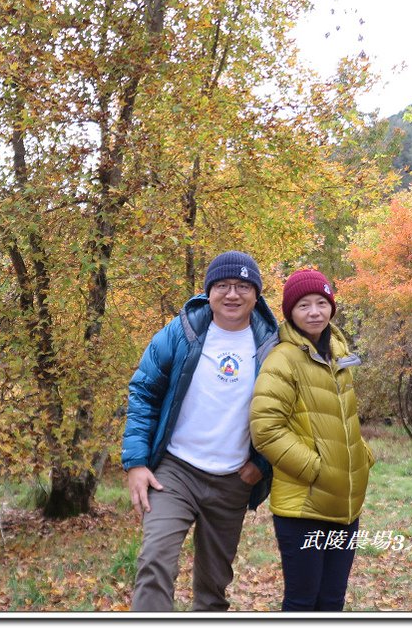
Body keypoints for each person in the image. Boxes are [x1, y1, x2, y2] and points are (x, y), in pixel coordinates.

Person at [121, 250, 279, 611]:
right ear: (208, 292)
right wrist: (136, 463)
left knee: (213, 587)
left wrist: (262, 465)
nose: (232, 294)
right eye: (222, 285)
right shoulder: (181, 332)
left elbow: (290, 413)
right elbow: (143, 391)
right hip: (174, 472)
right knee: (154, 563)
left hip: (233, 480)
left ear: (257, 294)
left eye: (242, 286)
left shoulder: (272, 346)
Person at [250, 268, 375, 612]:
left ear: (332, 307)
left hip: (344, 505)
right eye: (304, 305)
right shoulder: (282, 359)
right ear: (290, 312)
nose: (315, 311)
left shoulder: (338, 353)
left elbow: (342, 419)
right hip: (303, 505)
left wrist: (361, 457)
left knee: (332, 601)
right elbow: (266, 429)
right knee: (303, 602)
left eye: (321, 302)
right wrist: (316, 469)